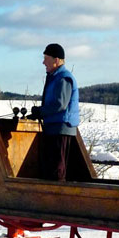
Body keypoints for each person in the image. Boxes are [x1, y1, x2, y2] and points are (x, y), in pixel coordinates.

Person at [28, 43, 80, 181]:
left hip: (60, 128)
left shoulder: (63, 78)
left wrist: (40, 111)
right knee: (51, 168)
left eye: (46, 58)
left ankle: (57, 198)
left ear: (56, 60)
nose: (43, 62)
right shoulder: (55, 77)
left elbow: (59, 104)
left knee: (57, 169)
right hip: (54, 128)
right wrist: (38, 113)